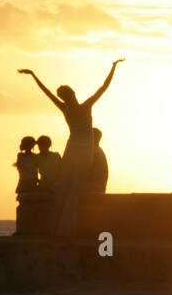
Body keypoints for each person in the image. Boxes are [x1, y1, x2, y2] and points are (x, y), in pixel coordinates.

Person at [18, 58, 124, 234]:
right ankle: (72, 225)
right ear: (73, 93)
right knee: (77, 186)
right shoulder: (86, 106)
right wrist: (114, 67)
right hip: (83, 150)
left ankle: (61, 225)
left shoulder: (64, 108)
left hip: (72, 147)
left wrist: (33, 75)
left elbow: (46, 92)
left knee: (66, 186)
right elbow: (104, 87)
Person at [90, 128, 109, 193]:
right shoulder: (99, 151)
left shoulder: (94, 153)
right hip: (98, 192)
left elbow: (87, 173)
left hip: (92, 193)